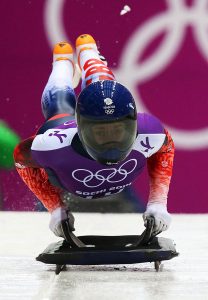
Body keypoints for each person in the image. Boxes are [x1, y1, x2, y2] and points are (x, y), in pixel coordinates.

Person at [14, 34, 174, 240]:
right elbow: (21, 158)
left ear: (133, 125)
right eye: (100, 133)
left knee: (106, 91)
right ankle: (62, 61)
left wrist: (158, 202)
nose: (111, 142)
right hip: (62, 126)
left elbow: (166, 146)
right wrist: (55, 209)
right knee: (59, 104)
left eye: (118, 131)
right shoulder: (51, 144)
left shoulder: (150, 132)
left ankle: (87, 52)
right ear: (81, 129)